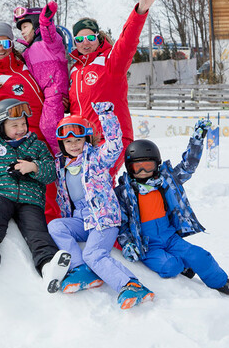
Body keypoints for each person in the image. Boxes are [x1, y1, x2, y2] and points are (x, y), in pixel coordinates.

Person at [115, 123, 229, 297]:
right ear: (129, 167)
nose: (144, 172)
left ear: (157, 165)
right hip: (147, 246)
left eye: (148, 166)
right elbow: (121, 223)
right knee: (171, 266)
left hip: (170, 237)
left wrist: (197, 141)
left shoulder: (166, 181)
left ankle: (221, 282)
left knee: (200, 256)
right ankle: (183, 265)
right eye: (138, 167)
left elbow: (187, 166)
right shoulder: (124, 193)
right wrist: (127, 243)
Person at [48, 102, 155, 310]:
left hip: (102, 217)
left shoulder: (96, 158)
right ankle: (81, 270)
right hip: (81, 218)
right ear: (61, 144)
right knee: (56, 227)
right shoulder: (61, 165)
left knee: (94, 254)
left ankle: (131, 285)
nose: (73, 145)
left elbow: (115, 143)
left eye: (78, 140)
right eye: (68, 141)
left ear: (86, 139)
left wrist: (106, 115)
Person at [0, 92, 71, 295]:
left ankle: (48, 266)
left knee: (37, 232)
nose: (21, 129)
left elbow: (51, 172)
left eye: (23, 124)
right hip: (1, 195)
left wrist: (34, 167)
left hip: (31, 201)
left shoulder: (37, 146)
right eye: (14, 126)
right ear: (0, 127)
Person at [0, 20, 61, 222]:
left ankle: (62, 224)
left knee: (59, 181)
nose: (1, 50)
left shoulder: (22, 64)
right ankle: (48, 228)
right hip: (24, 139)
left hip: (49, 132)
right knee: (46, 187)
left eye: (5, 44)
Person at [69, 0, 160, 175]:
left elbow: (128, 41)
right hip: (83, 141)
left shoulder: (111, 61)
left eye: (90, 38)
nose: (85, 43)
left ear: (98, 38)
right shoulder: (74, 71)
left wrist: (141, 10)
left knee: (98, 180)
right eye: (79, 39)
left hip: (111, 138)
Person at [14, 2, 70, 155]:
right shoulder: (27, 51)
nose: (23, 32)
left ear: (34, 23)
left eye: (25, 27)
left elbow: (49, 32)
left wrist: (45, 21)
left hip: (55, 90)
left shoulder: (50, 43)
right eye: (21, 29)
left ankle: (61, 155)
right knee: (40, 128)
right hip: (43, 96)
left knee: (48, 125)